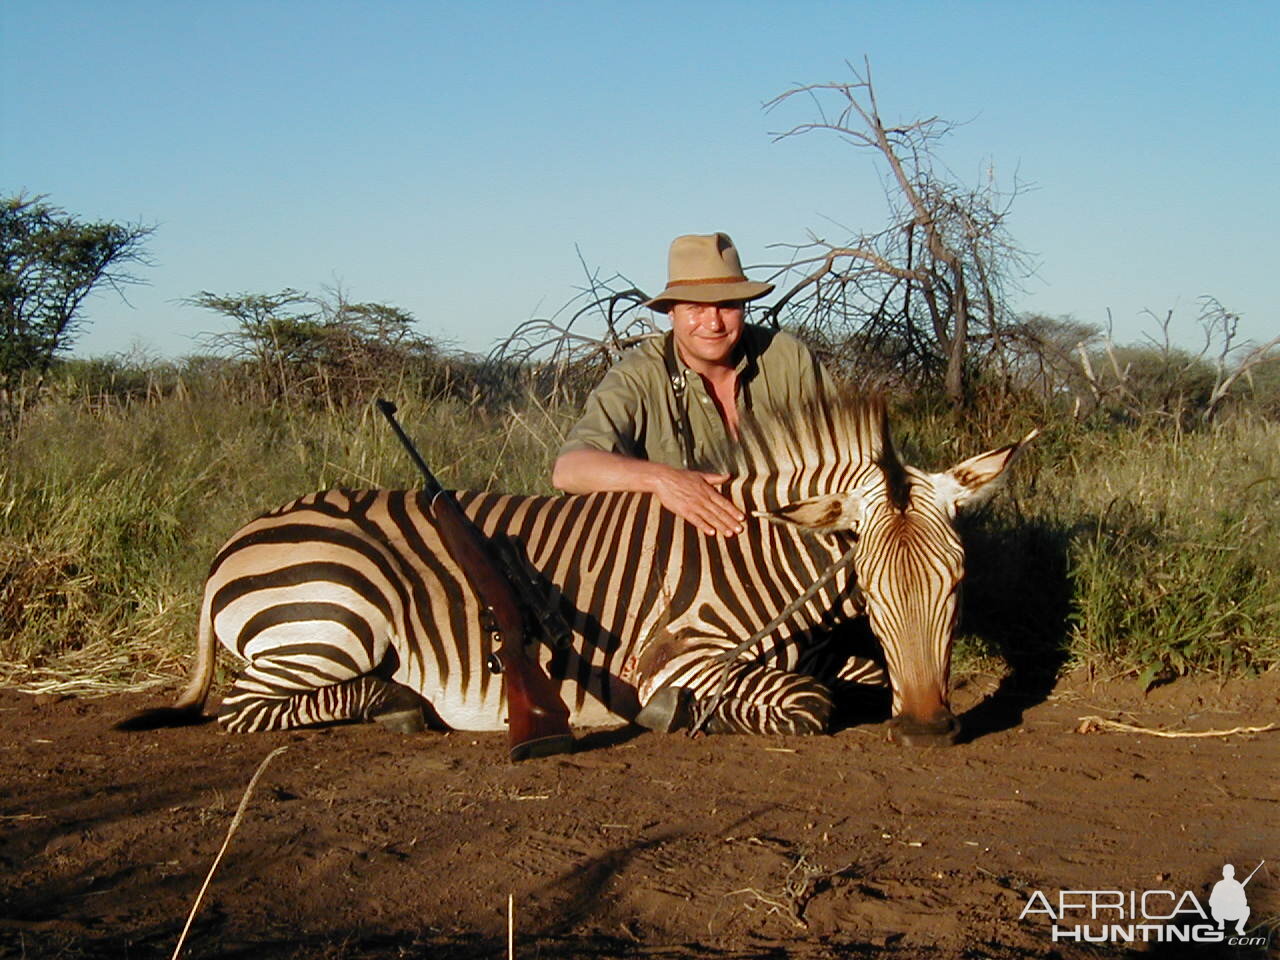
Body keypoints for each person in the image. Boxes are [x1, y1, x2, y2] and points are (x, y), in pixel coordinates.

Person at [552, 232, 832, 536]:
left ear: (744, 307)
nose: (713, 323)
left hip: (786, 539)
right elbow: (570, 470)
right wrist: (662, 480)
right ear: (671, 312)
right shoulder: (638, 375)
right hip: (680, 552)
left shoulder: (787, 357)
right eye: (695, 308)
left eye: (727, 306)